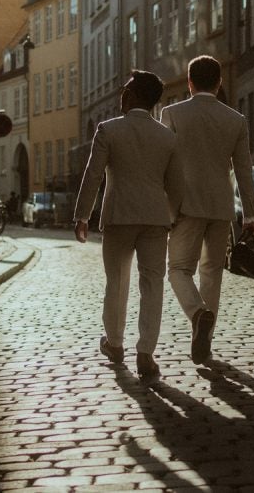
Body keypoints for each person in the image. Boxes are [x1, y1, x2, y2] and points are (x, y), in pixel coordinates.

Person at [73, 70, 182, 381]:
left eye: (125, 90)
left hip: (119, 216)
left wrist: (82, 215)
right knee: (153, 285)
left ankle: (116, 344)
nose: (121, 94)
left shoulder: (108, 130)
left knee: (117, 282)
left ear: (134, 96)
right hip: (155, 219)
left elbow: (93, 175)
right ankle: (146, 353)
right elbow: (176, 184)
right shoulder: (167, 137)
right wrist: (172, 217)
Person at [160, 55, 254, 365]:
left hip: (185, 204)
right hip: (221, 207)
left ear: (189, 83)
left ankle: (197, 313)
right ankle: (205, 339)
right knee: (212, 273)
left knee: (178, 269)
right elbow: (244, 169)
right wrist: (252, 215)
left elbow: (164, 165)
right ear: (219, 83)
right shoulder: (235, 120)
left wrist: (162, 209)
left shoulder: (172, 114)